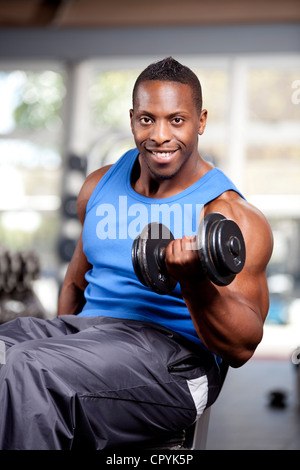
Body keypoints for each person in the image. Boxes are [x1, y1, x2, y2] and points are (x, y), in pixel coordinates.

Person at [0, 57, 273, 450]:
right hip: (86, 337)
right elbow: (76, 283)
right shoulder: (99, 185)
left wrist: (194, 281)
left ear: (201, 121)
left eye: (176, 120)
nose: (160, 135)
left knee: (30, 371)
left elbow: (243, 345)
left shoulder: (229, 215)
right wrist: (62, 348)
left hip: (173, 360)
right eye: (147, 119)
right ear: (132, 118)